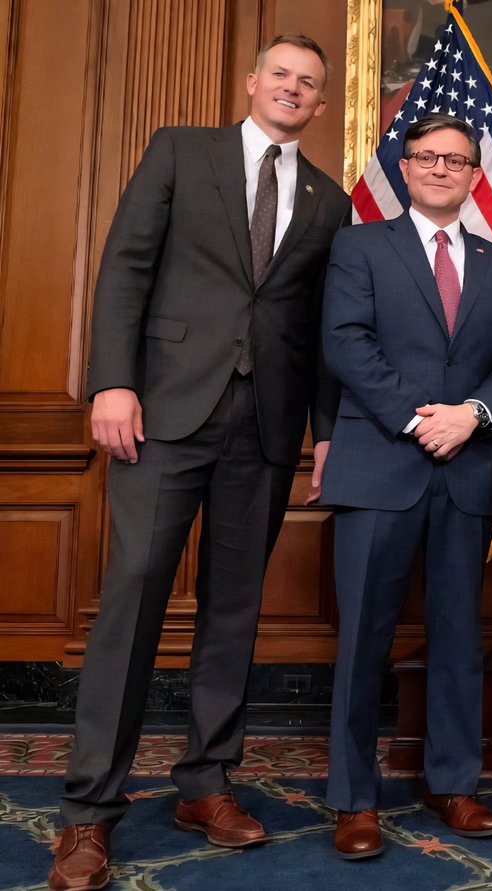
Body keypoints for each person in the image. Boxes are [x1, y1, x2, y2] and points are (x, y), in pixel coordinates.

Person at [50, 34, 349, 891]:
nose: (292, 90)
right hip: (162, 413)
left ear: (320, 106)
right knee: (134, 597)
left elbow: (323, 331)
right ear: (254, 83)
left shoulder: (328, 203)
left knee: (233, 613)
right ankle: (87, 813)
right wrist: (112, 381)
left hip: (264, 430)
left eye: (309, 85)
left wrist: (325, 431)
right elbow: (124, 268)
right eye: (281, 75)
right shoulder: (184, 150)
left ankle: (205, 783)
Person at [320, 112, 492, 860]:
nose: (442, 169)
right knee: (363, 643)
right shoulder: (359, 245)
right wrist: (420, 423)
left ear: (476, 176)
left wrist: (473, 415)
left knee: (457, 636)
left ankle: (454, 782)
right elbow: (345, 342)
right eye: (428, 157)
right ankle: (353, 798)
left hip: (466, 473)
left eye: (458, 160)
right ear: (405, 168)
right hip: (381, 463)